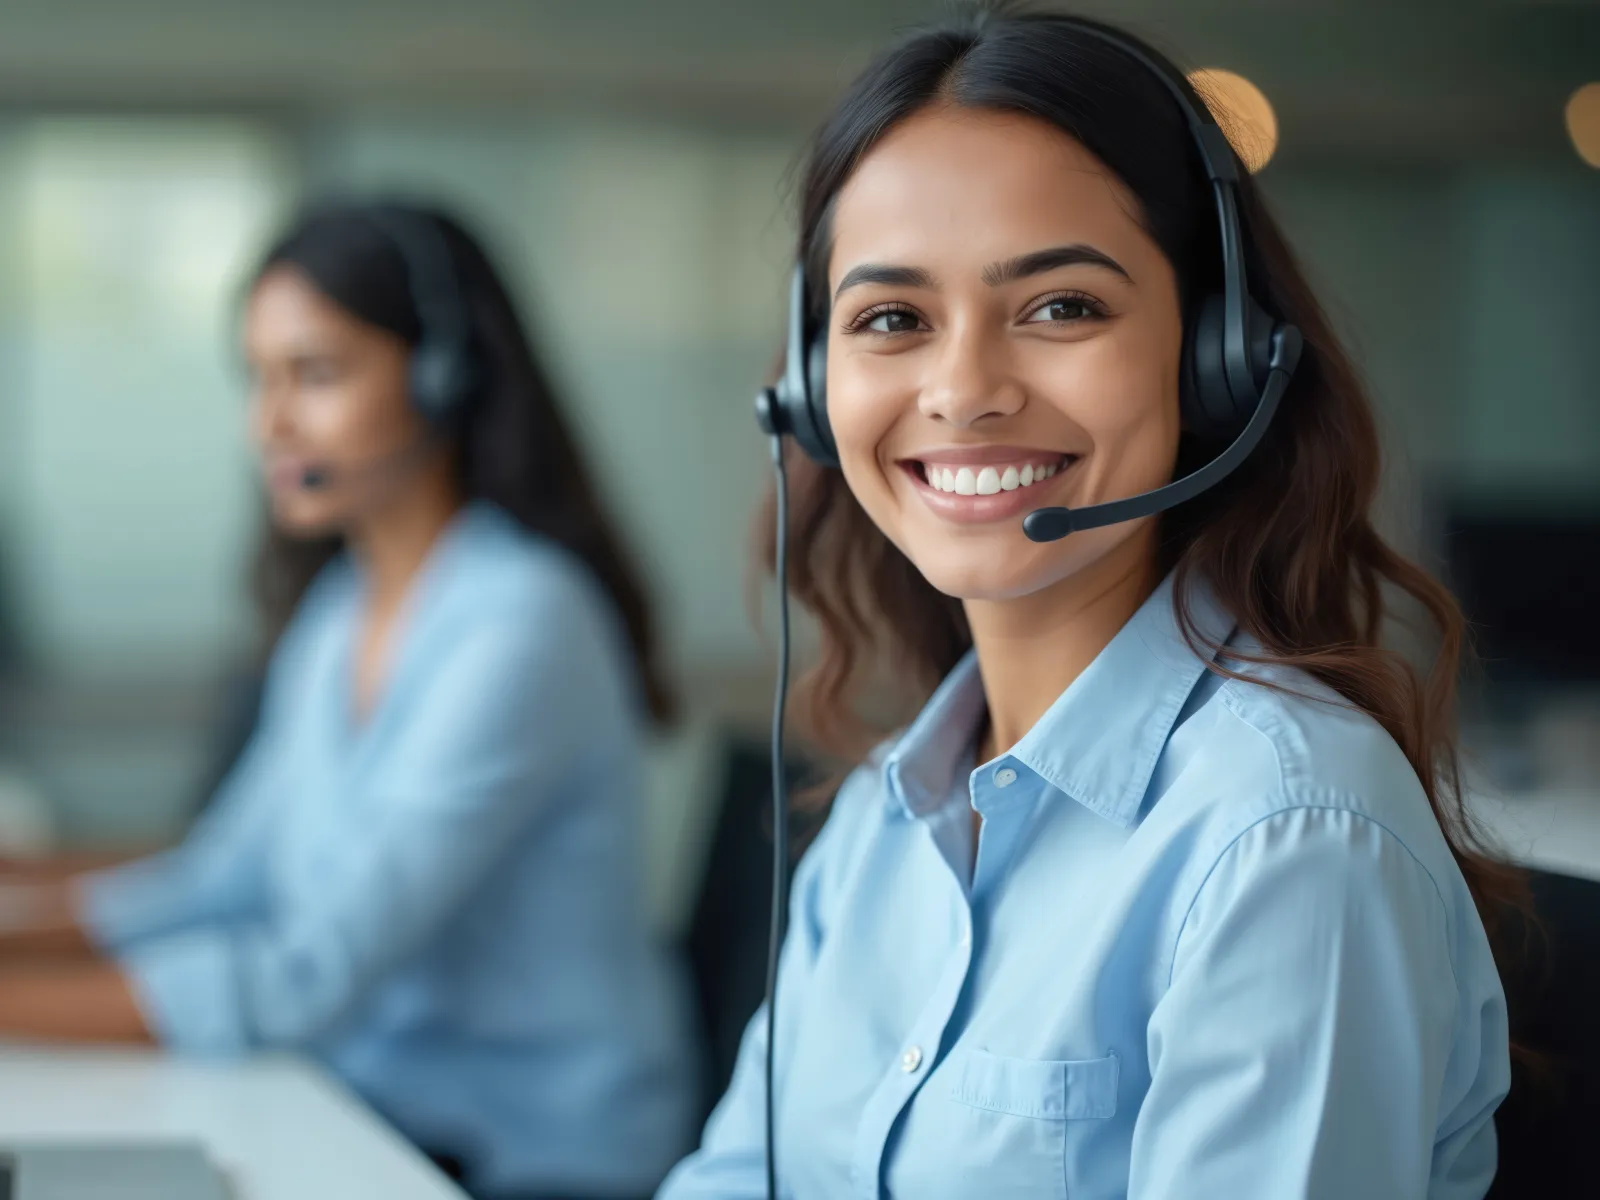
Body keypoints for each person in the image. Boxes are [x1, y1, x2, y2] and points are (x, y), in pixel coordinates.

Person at [660, 9, 1519, 1199]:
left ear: (1216, 358)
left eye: (1060, 306)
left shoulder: (1285, 840)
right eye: (891, 320)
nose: (962, 392)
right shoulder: (880, 823)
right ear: (813, 391)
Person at [0, 200, 698, 1200]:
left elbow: (301, 976)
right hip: (376, 1111)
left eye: (315, 375)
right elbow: (228, 876)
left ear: (442, 378)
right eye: (258, 379)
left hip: (527, 1161)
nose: (268, 424)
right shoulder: (341, 611)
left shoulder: (521, 622)